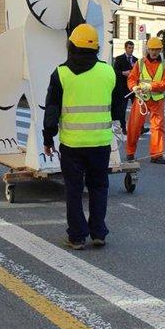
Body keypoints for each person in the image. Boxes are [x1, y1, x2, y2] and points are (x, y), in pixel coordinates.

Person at [43, 24, 119, 250]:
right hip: (100, 142)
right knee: (98, 187)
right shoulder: (108, 72)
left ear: (71, 45)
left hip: (72, 145)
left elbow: (52, 111)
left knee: (74, 191)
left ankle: (76, 237)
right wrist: (119, 125)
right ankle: (98, 232)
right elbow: (117, 106)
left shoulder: (61, 74)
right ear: (96, 47)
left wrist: (48, 139)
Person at [125, 37, 165, 164]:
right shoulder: (140, 63)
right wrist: (133, 86)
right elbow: (131, 78)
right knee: (134, 127)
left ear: (160, 49)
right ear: (148, 49)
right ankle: (130, 153)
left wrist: (151, 86)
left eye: (157, 49)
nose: (154, 52)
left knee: (158, 128)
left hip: (157, 100)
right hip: (141, 99)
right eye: (152, 49)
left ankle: (156, 155)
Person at [113, 40, 137, 134]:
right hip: (123, 87)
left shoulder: (136, 60)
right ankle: (123, 127)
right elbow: (115, 71)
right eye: (129, 48)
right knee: (122, 108)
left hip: (133, 88)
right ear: (125, 48)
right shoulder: (119, 59)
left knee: (137, 108)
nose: (131, 50)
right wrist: (123, 73)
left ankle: (140, 127)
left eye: (132, 48)